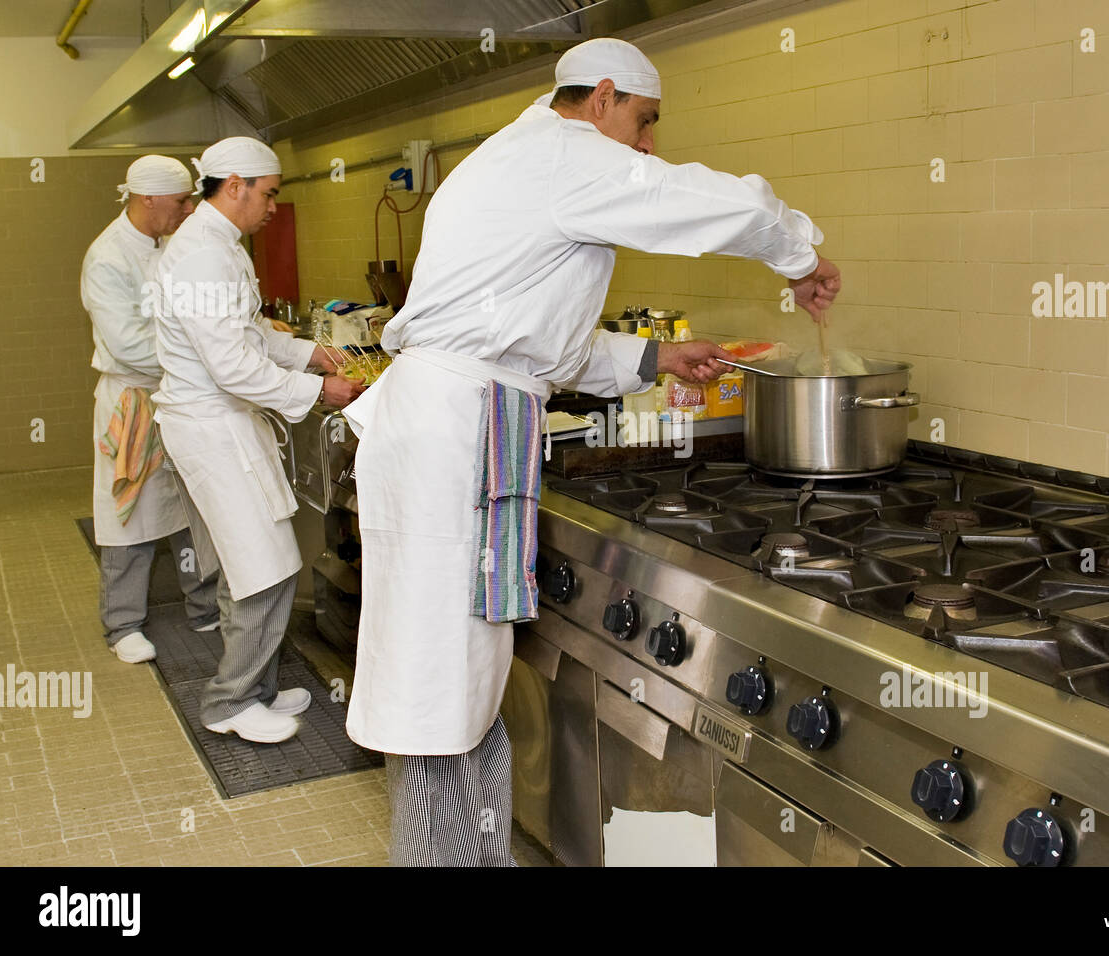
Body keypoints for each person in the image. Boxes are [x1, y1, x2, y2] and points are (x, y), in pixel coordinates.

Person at [342, 37, 841, 866]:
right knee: (439, 690)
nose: (646, 144)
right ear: (603, 96)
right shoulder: (561, 153)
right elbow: (703, 201)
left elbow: (527, 338)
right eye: (643, 122)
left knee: (460, 681)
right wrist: (800, 254)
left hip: (463, 421)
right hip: (453, 438)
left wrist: (653, 358)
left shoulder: (520, 158)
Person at [152, 137, 365, 744]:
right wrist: (322, 392)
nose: (274, 207)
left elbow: (249, 337)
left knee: (251, 565)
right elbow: (233, 368)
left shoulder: (219, 245)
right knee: (261, 571)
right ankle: (229, 701)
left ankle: (258, 689)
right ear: (236, 184)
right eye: (269, 194)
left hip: (224, 425)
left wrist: (315, 354)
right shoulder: (201, 256)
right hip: (212, 428)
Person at [82, 155, 219, 664]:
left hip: (175, 396)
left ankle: (204, 605)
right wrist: (201, 351)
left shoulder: (167, 248)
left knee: (189, 505)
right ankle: (122, 625)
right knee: (129, 512)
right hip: (132, 402)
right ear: (148, 200)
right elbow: (127, 346)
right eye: (181, 201)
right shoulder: (108, 257)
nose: (187, 210)